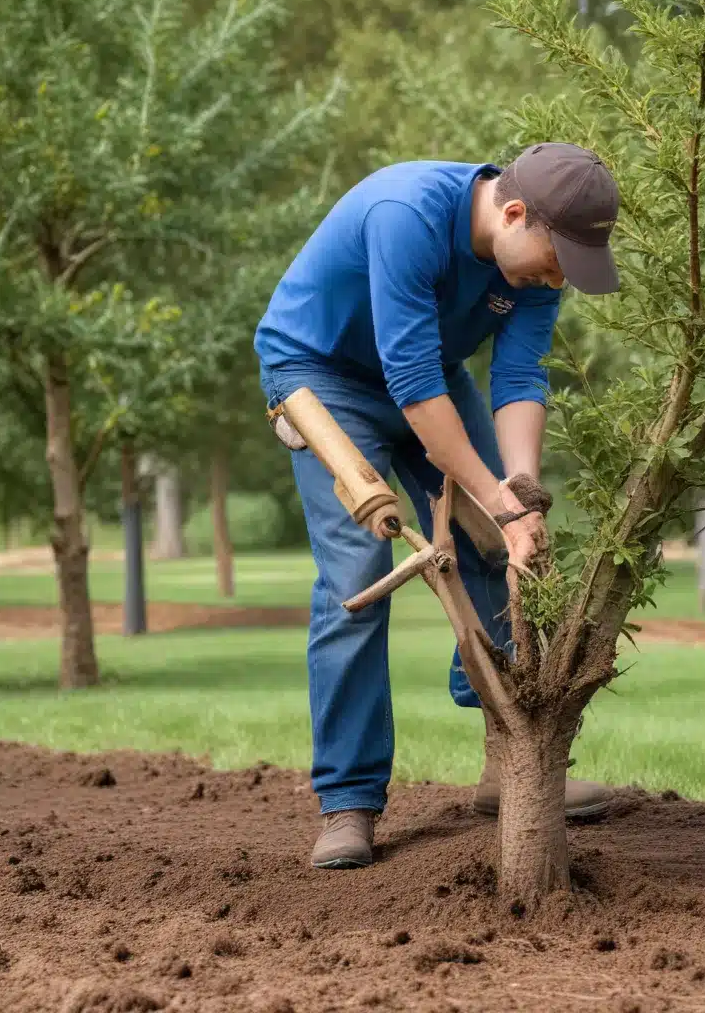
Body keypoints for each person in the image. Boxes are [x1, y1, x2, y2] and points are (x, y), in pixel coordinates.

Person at [255, 142, 621, 870]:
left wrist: (517, 496)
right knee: (357, 572)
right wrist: (501, 505)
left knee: (492, 542)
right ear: (513, 213)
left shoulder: (535, 263)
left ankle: (506, 768)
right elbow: (414, 381)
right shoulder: (406, 215)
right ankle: (349, 801)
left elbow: (519, 377)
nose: (559, 278)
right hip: (319, 371)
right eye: (556, 259)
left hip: (425, 374)